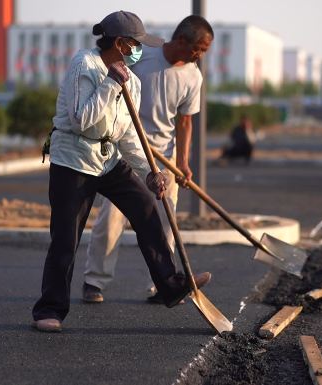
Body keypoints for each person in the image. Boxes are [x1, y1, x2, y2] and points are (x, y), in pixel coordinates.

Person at [32, 11, 211, 333]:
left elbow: (128, 135)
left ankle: (170, 285)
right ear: (120, 43)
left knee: (146, 208)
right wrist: (110, 83)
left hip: (109, 159)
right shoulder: (84, 65)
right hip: (73, 160)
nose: (140, 51)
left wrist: (149, 172)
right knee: (65, 237)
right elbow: (81, 121)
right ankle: (50, 309)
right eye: (136, 44)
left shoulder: (133, 80)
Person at [82, 15, 214, 304]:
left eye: (204, 51)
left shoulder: (193, 76)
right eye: (199, 49)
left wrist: (183, 163)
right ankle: (94, 281)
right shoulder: (144, 55)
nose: (200, 55)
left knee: (165, 223)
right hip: (127, 148)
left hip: (163, 157)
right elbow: (115, 79)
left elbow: (185, 122)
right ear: (181, 41)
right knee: (111, 219)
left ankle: (163, 287)